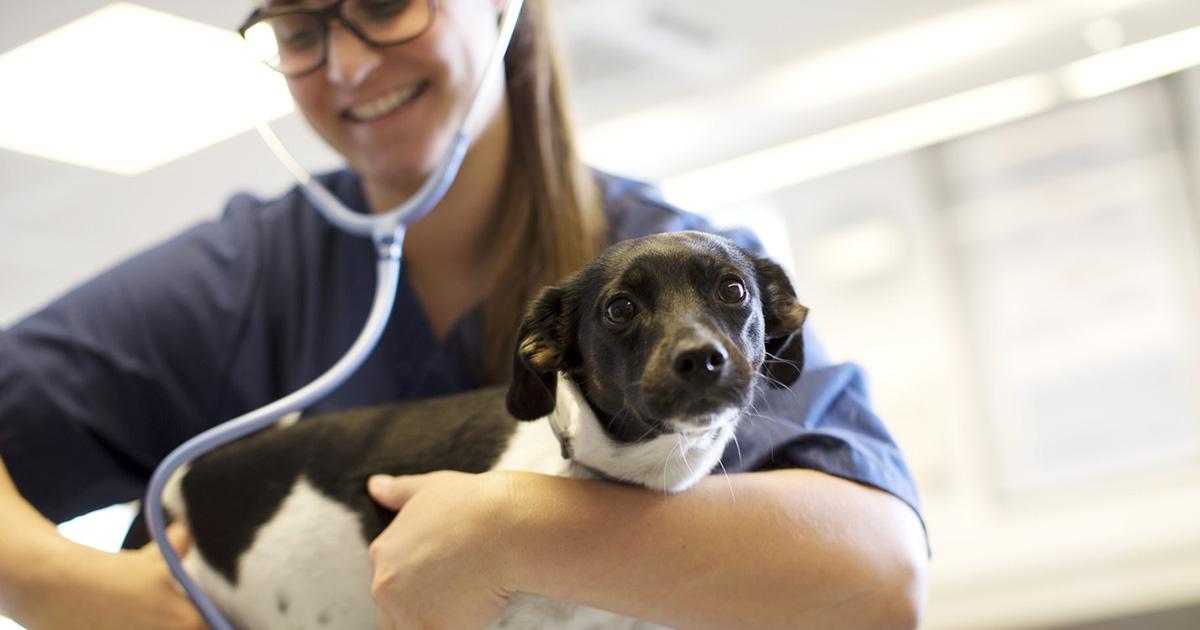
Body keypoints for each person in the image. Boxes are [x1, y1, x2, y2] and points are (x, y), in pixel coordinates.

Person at [0, 0, 929, 628]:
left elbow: (878, 575)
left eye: (384, 3)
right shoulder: (241, 280)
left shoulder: (668, 267)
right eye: (297, 24)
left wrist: (507, 530)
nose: (349, 65)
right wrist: (70, 585)